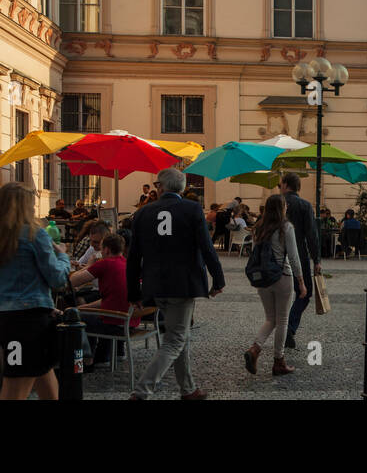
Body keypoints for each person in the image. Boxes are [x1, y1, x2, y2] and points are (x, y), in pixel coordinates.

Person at [126, 165, 225, 400]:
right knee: (176, 339)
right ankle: (141, 391)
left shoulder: (142, 213)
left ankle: (188, 388)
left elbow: (133, 257)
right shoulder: (191, 209)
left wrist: (133, 291)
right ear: (182, 187)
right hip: (183, 283)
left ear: (160, 187)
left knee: (178, 334)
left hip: (155, 284)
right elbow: (206, 247)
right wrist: (218, 278)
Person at [0, 184, 70, 400]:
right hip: (31, 319)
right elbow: (57, 277)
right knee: (17, 384)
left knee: (42, 375)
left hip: (6, 316)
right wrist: (63, 256)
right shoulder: (33, 234)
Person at [244, 194, 307, 376]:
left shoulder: (258, 227)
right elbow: (294, 258)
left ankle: (255, 349)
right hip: (282, 276)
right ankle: (279, 361)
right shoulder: (286, 227)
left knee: (270, 318)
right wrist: (301, 283)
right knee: (282, 321)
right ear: (282, 208)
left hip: (263, 279)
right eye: (285, 205)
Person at [69, 233, 137, 369]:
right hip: (130, 320)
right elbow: (110, 299)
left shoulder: (104, 264)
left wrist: (89, 264)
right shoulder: (126, 263)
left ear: (106, 250)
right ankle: (103, 356)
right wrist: (84, 308)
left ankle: (83, 362)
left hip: (116, 321)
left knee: (74, 318)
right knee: (83, 312)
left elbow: (72, 281)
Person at [280, 172, 321, 351]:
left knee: (281, 296)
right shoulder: (304, 205)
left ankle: (283, 330)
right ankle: (289, 327)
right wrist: (317, 259)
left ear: (286, 184)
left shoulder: (276, 203)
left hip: (278, 255)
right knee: (304, 293)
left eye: (280, 184)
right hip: (299, 254)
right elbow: (312, 234)